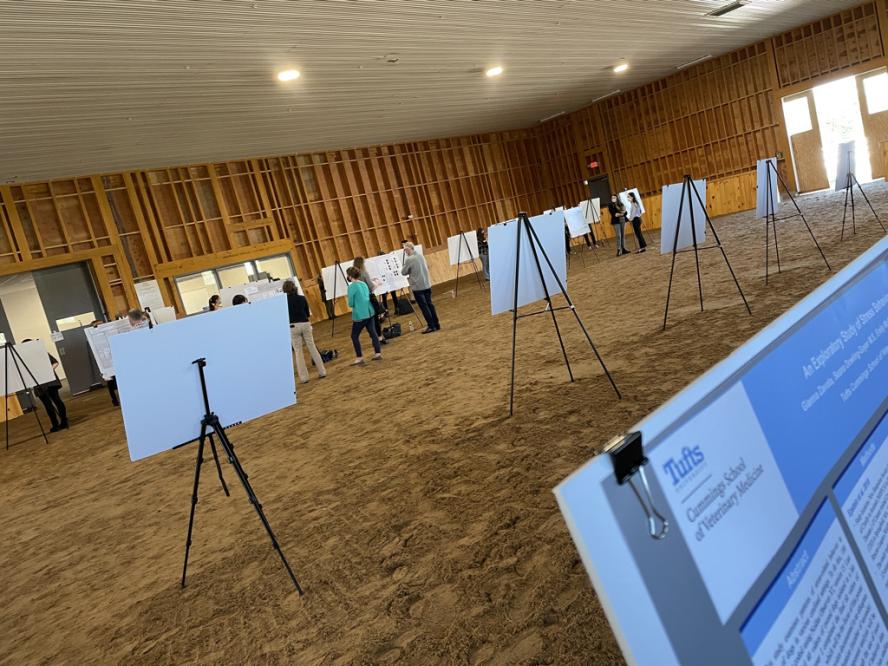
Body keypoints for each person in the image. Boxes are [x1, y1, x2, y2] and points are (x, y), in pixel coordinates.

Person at [283, 280, 326, 383]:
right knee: (312, 347)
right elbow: (307, 313)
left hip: (292, 326)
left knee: (298, 352)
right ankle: (322, 371)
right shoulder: (302, 298)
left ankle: (304, 378)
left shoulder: (283, 302)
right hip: (305, 323)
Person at [22, 339, 68, 432]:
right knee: (54, 402)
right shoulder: (39, 353)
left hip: (47, 381)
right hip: (43, 381)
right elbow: (55, 363)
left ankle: (59, 423)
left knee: (51, 403)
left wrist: (47, 371)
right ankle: (61, 422)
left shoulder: (37, 354)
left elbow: (55, 362)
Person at [401, 242, 440, 333]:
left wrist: (404, 266)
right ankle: (436, 324)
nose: (405, 251)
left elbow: (403, 272)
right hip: (427, 285)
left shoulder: (409, 259)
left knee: (424, 307)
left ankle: (431, 326)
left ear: (409, 249)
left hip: (418, 287)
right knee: (430, 304)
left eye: (405, 249)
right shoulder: (421, 256)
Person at [346, 266, 382, 364]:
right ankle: (378, 353)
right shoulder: (363, 284)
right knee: (373, 333)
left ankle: (359, 357)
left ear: (349, 276)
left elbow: (350, 303)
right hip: (369, 311)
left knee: (354, 336)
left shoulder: (351, 287)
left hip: (360, 315)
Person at [352, 256, 386, 343]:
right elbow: (371, 287)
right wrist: (377, 283)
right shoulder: (364, 273)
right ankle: (379, 337)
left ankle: (374, 338)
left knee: (369, 321)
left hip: (361, 301)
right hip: (370, 298)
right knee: (376, 318)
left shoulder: (354, 275)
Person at [90, 320, 118, 407]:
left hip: (115, 360)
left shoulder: (110, 333)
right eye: (98, 325)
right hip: (105, 363)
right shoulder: (94, 338)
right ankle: (115, 400)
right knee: (110, 382)